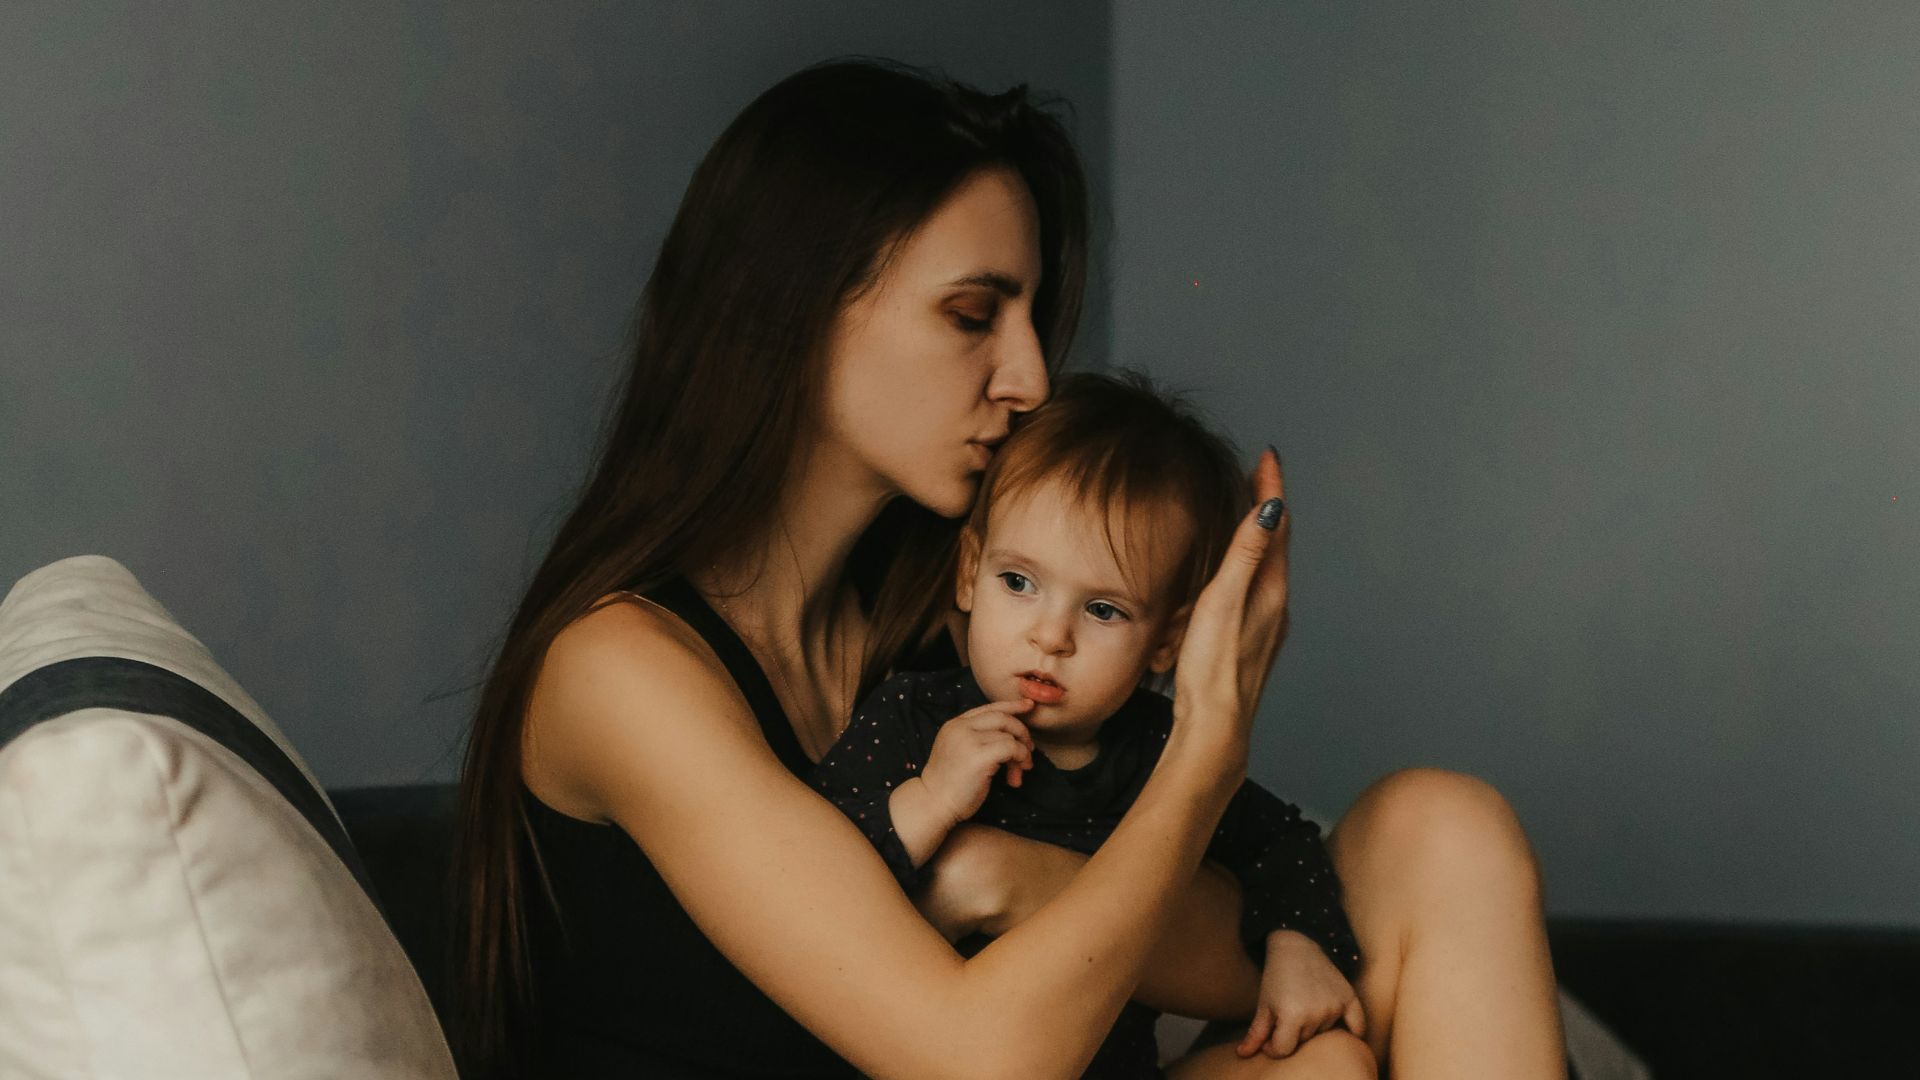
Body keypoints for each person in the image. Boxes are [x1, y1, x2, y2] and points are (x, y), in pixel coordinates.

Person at [450, 56, 1567, 1080]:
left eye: (1030, 321)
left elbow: (1231, 974)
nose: (1030, 377)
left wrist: (1013, 881)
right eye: (973, 315)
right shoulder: (616, 669)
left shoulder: (965, 634)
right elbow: (981, 1061)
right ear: (790, 311)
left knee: (1438, 835)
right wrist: (1205, 748)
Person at [806, 370, 1371, 1079]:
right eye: (1018, 582)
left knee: (1334, 1061)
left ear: (1167, 641)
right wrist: (929, 799)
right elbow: (814, 887)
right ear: (969, 573)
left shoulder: (1161, 748)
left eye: (1103, 610)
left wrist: (1298, 943)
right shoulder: (916, 716)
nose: (1051, 636)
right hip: (947, 1063)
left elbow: (1281, 841)